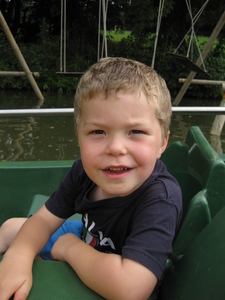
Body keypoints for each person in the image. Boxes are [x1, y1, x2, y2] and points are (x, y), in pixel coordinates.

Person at [0, 57, 182, 300]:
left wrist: (69, 248)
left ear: (162, 143)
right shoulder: (84, 171)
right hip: (88, 238)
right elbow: (44, 220)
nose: (116, 148)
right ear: (78, 136)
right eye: (98, 132)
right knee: (10, 229)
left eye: (136, 132)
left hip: (121, 268)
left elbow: (130, 289)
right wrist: (19, 256)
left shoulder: (161, 198)